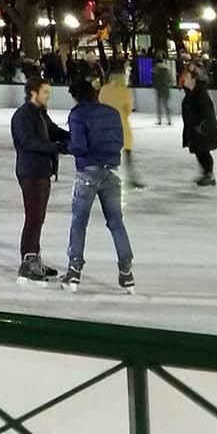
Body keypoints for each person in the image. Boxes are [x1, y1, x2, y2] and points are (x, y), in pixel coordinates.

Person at [63, 77, 133, 292]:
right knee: (116, 223)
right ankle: (126, 272)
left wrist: (61, 147)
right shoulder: (111, 113)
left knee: (79, 222)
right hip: (111, 172)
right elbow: (119, 141)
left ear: (77, 97)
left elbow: (78, 146)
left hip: (87, 172)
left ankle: (74, 272)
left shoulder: (78, 114)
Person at [10, 77, 68, 282]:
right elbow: (28, 143)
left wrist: (74, 138)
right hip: (31, 171)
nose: (48, 97)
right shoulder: (23, 115)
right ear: (33, 93)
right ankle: (28, 260)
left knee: (38, 217)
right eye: (45, 93)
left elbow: (55, 133)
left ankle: (35, 257)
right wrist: (58, 147)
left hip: (42, 171)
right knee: (33, 216)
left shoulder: (40, 114)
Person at [98, 69, 143, 188]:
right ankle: (132, 178)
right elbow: (128, 108)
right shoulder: (124, 91)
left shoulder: (104, 89)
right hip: (121, 124)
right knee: (127, 153)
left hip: (105, 125)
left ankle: (102, 177)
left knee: (106, 154)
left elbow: (100, 103)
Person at [179, 64, 217, 185]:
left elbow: (206, 111)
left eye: (186, 76)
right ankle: (205, 173)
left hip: (202, 128)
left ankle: (209, 174)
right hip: (194, 127)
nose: (184, 79)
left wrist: (201, 125)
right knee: (198, 151)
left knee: (203, 150)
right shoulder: (190, 92)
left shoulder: (200, 92)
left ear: (193, 78)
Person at [150, 55, 175, 126]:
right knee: (166, 105)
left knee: (159, 105)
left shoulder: (155, 69)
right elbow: (170, 79)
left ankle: (159, 120)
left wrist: (154, 86)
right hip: (166, 88)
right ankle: (169, 120)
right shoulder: (167, 68)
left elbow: (154, 79)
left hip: (159, 88)